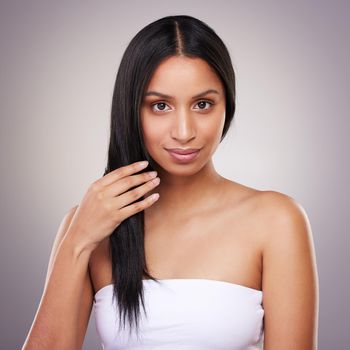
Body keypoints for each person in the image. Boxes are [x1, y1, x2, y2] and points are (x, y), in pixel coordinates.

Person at [22, 15, 319, 349]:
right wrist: (77, 242)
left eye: (203, 104)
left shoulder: (276, 220)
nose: (184, 131)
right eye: (160, 105)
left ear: (228, 106)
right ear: (132, 110)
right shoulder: (89, 226)